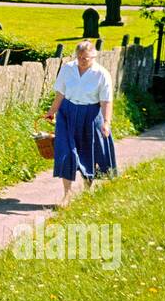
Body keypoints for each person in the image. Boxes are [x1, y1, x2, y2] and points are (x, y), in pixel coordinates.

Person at [43, 40, 116, 205]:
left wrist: (106, 122)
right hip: (67, 113)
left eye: (87, 58)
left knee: (87, 153)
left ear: (94, 56)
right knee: (66, 153)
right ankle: (67, 194)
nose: (83, 61)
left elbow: (106, 101)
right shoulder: (67, 69)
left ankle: (87, 190)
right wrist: (52, 112)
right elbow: (60, 94)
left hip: (90, 114)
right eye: (80, 57)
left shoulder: (102, 74)